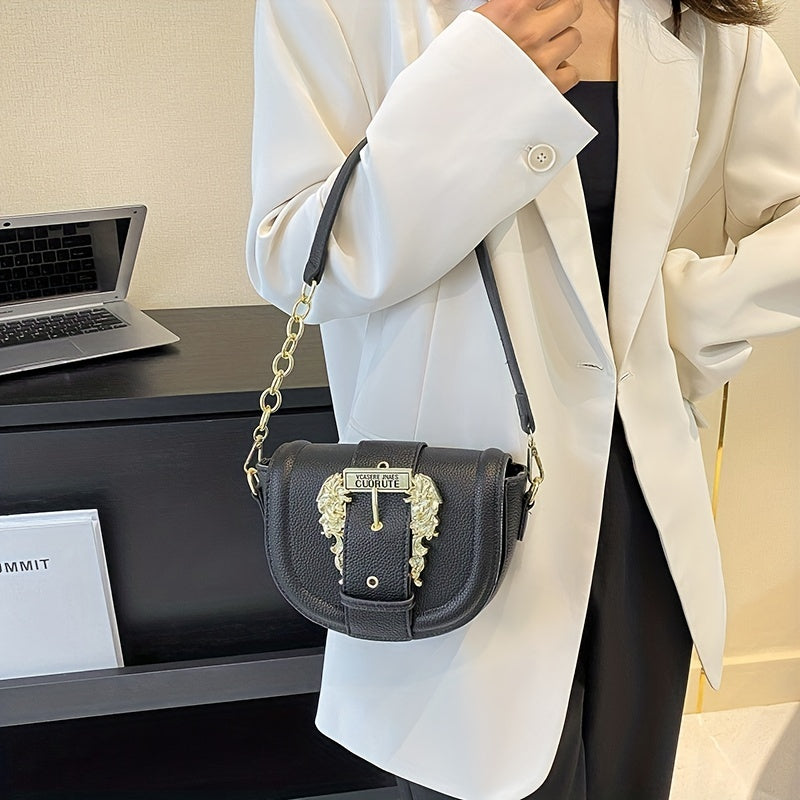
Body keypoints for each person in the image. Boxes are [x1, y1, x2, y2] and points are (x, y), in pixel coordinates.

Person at [245, 1, 800, 798]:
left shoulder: (698, 17)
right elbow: (297, 259)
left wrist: (680, 317)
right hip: (456, 510)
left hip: (643, 504)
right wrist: (478, 89)